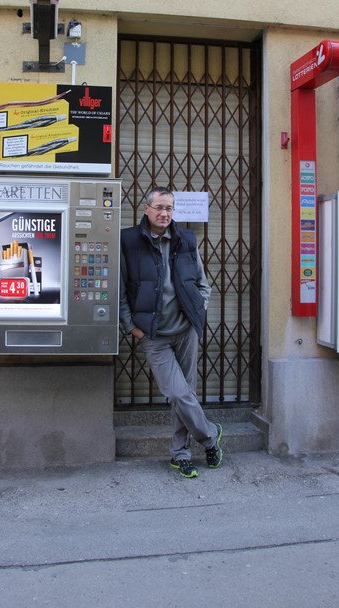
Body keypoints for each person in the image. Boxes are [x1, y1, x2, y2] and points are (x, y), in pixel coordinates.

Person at [119, 186, 222, 478]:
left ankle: (180, 454)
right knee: (177, 392)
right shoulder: (129, 241)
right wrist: (132, 327)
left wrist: (198, 309)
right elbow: (120, 289)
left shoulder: (185, 239)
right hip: (153, 335)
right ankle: (210, 436)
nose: (164, 214)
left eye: (169, 208)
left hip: (185, 330)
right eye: (159, 207)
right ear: (146, 209)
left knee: (184, 395)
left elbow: (202, 283)